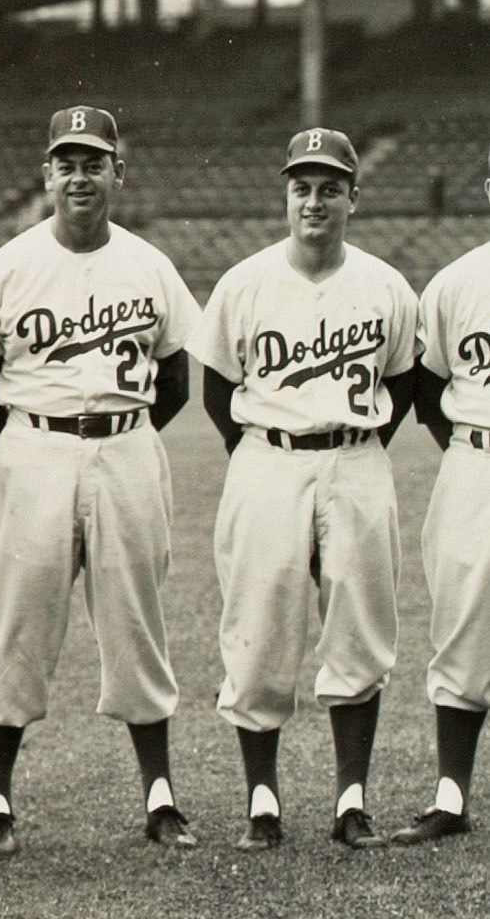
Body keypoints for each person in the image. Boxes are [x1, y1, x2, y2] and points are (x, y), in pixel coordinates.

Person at [0, 105, 203, 851]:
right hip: (34, 449)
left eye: (94, 162)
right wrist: (32, 444)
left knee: (137, 620)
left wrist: (119, 438)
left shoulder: (149, 264)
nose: (80, 175)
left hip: (126, 445)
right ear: (47, 174)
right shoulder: (10, 264)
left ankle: (159, 797)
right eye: (67, 162)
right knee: (17, 620)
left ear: (117, 173)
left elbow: (178, 377)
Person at [193, 127, 418, 849]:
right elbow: (216, 387)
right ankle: (263, 799)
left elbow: (404, 382)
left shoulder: (386, 285)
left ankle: (351, 799)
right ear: (286, 195)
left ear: (354, 196)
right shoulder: (244, 282)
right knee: (257, 627)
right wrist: (264, 451)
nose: (314, 200)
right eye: (302, 186)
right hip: (268, 458)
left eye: (329, 187)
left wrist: (350, 445)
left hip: (356, 456)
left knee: (359, 625)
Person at [400, 146, 490, 842]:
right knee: (462, 624)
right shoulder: (456, 283)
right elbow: (427, 393)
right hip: (477, 459)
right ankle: (452, 796)